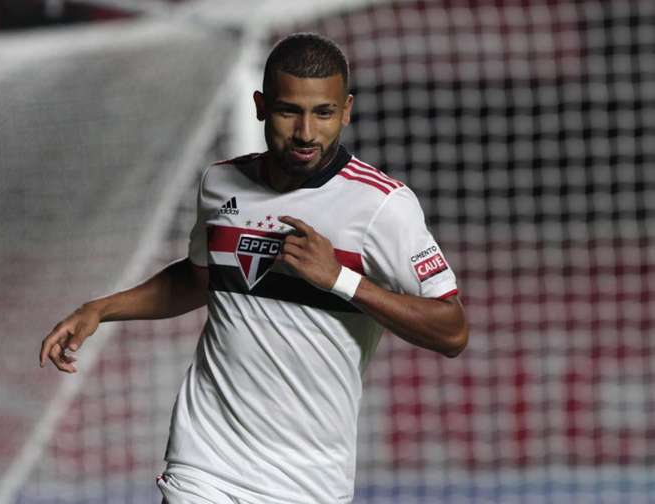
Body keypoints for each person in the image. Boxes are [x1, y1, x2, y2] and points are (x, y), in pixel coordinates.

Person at [40, 32, 468, 504]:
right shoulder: (221, 183)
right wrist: (100, 309)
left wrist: (341, 280)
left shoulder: (382, 206)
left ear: (346, 110)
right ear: (261, 105)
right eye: (289, 111)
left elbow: (451, 331)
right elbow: (201, 278)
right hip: (205, 462)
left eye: (323, 113)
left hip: (309, 481)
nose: (306, 133)